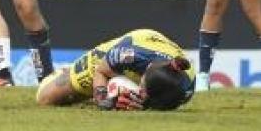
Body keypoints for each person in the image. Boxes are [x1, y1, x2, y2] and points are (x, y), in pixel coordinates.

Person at [36, 28, 195, 111]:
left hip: (153, 56)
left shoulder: (186, 88)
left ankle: (114, 89)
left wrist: (143, 104)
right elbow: (101, 70)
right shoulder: (129, 54)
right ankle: (65, 71)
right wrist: (102, 98)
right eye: (142, 86)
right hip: (125, 49)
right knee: (45, 98)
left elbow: (160, 105)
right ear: (146, 71)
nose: (142, 90)